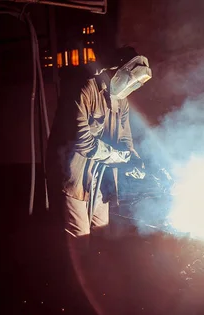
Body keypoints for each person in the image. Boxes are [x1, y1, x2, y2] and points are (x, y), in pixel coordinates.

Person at [48, 46, 152, 259]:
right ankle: (71, 288)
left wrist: (134, 160)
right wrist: (118, 158)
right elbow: (82, 140)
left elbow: (125, 138)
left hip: (102, 181)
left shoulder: (121, 99)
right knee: (80, 239)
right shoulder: (84, 89)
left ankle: (100, 283)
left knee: (102, 234)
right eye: (129, 79)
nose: (130, 87)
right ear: (116, 70)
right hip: (75, 178)